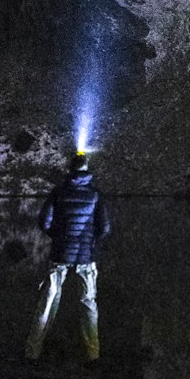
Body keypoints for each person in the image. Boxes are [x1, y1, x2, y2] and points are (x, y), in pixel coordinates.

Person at [25, 151, 111, 364]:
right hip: (86, 256)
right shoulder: (95, 194)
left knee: (47, 303)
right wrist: (90, 242)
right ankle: (93, 355)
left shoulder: (58, 192)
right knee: (88, 303)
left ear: (70, 169)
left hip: (60, 254)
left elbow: (44, 222)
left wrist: (59, 238)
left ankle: (32, 353)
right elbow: (105, 227)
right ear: (86, 169)